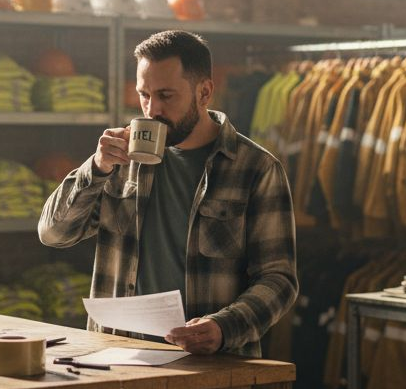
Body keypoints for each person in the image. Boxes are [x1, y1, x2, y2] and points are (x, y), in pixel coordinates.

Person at [38, 30, 297, 356]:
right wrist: (97, 167)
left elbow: (278, 279)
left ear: (204, 92)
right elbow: (53, 233)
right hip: (118, 357)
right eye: (144, 95)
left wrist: (223, 327)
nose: (152, 110)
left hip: (210, 366)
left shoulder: (257, 169)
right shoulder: (118, 160)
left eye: (166, 96)